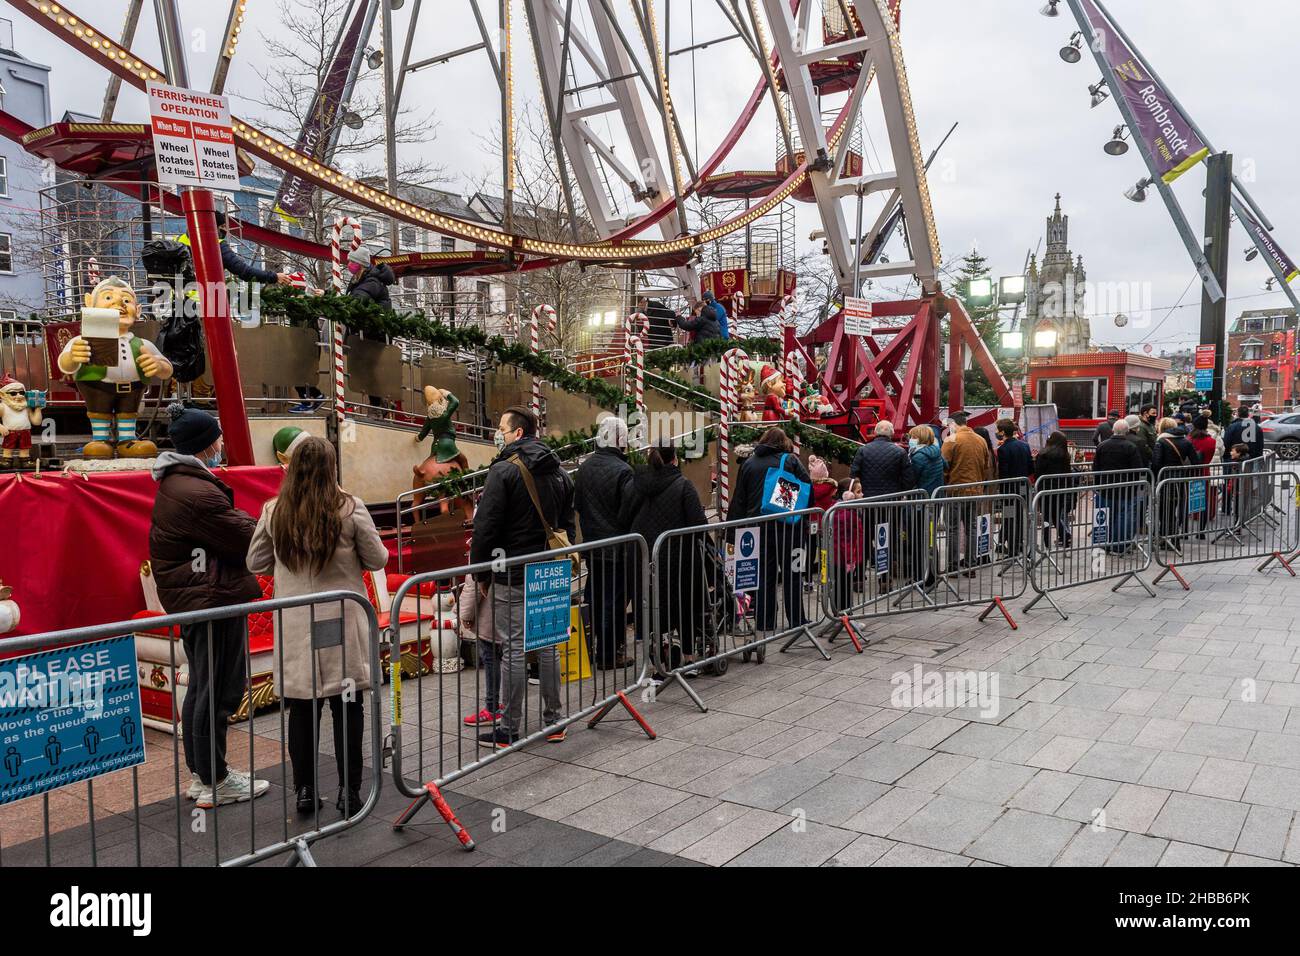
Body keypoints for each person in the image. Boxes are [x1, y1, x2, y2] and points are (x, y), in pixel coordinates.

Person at [246, 436, 387, 816]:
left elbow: (255, 562)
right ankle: (350, 792)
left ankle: (305, 792)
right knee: (348, 707)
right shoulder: (350, 508)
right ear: (332, 469)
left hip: (297, 625)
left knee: (303, 711)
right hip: (340, 622)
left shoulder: (274, 511)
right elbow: (377, 559)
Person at [149, 403, 268, 809]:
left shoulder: (181, 482)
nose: (221, 443)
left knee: (204, 684)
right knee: (217, 687)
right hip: (211, 595)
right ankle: (215, 779)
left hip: (201, 594)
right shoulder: (196, 492)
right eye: (216, 436)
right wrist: (266, 521)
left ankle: (204, 775)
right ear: (203, 444)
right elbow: (243, 536)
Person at [469, 406, 575, 749]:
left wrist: (481, 572)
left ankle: (509, 728)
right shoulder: (559, 471)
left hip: (511, 572)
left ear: (517, 434)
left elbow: (485, 528)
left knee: (513, 648)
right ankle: (554, 721)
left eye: (500, 426)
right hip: (549, 569)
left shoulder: (502, 471)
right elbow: (565, 523)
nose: (496, 432)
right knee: (548, 645)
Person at [620, 442, 709, 671]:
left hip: (642, 559)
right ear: (674, 459)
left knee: (648, 606)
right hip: (678, 560)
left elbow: (623, 520)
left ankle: (656, 656)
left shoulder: (634, 483)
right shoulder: (682, 485)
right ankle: (689, 659)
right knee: (684, 607)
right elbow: (698, 524)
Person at [730, 427, 811, 640]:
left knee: (764, 575)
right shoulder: (790, 460)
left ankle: (765, 620)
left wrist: (733, 529)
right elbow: (807, 488)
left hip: (758, 528)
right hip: (788, 528)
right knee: (792, 573)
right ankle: (796, 619)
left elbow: (739, 498)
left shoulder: (748, 463)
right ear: (783, 442)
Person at [574, 415, 634, 669]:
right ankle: (610, 654)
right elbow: (628, 511)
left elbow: (578, 505)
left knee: (594, 597)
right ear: (620, 440)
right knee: (615, 601)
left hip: (592, 545)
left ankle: (590, 649)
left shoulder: (584, 469)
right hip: (617, 548)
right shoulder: (624, 470)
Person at [940, 411, 992, 574]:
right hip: (975, 490)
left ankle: (953, 566)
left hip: (955, 490)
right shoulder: (981, 440)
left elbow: (944, 467)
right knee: (972, 527)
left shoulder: (951, 440)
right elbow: (986, 466)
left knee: (953, 528)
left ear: (953, 424)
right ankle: (971, 565)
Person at [1093, 419, 1145, 553]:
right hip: (1126, 490)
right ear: (1127, 431)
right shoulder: (1131, 447)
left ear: (1113, 430)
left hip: (1106, 489)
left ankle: (1105, 544)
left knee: (1107, 517)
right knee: (1123, 518)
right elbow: (1137, 469)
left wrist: (1098, 485)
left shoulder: (1102, 446)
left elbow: (1096, 468)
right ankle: (1119, 545)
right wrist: (1134, 487)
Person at [1151, 416, 1197, 549]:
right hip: (1179, 481)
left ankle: (1168, 540)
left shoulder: (1161, 441)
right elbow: (1196, 462)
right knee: (1172, 510)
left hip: (1164, 481)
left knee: (1164, 511)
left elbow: (1156, 463)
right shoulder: (1186, 441)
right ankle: (1170, 539)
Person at [995, 419, 1033, 558]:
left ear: (1003, 432)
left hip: (1009, 492)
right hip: (1023, 488)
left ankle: (1012, 549)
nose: (997, 433)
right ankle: (1021, 544)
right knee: (1021, 518)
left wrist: (1002, 491)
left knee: (1010, 518)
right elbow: (1030, 468)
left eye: (998, 430)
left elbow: (1003, 473)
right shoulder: (1025, 446)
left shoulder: (1003, 449)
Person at [850, 419, 916, 499]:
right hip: (892, 498)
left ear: (875, 432)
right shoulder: (900, 452)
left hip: (867, 498)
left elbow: (854, 474)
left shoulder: (862, 450)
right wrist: (901, 492)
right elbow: (908, 478)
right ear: (892, 433)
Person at [1032, 430, 1074, 549]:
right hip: (1060, 489)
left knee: (1045, 515)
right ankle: (1065, 536)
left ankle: (1046, 541)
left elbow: (1038, 472)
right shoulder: (1065, 455)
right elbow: (1067, 472)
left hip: (1044, 488)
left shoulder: (1043, 453)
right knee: (1056, 515)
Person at [1186, 416, 1218, 536]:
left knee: (1186, 500)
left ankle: (1184, 530)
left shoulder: (1188, 439)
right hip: (1204, 471)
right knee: (1203, 502)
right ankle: (1201, 531)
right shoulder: (1211, 441)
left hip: (1189, 473)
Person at [907, 425, 945, 495]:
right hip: (936, 494)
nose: (910, 440)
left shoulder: (918, 456)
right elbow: (946, 465)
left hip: (922, 496)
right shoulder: (936, 450)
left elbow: (911, 479)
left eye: (913, 437)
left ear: (922, 438)